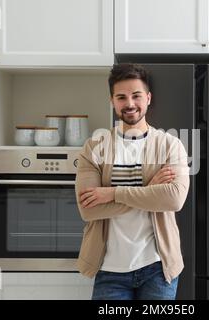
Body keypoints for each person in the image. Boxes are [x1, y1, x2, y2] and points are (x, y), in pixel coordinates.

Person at [75, 63, 190, 300]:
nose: (129, 103)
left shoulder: (170, 145)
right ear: (112, 101)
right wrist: (149, 190)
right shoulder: (94, 147)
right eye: (121, 97)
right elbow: (88, 209)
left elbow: (174, 199)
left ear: (148, 98)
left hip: (158, 267)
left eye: (136, 95)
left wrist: (112, 193)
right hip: (109, 269)